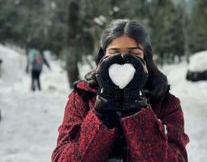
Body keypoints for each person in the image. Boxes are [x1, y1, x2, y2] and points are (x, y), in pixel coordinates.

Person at [52, 19, 189, 162]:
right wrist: (101, 114)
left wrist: (137, 111)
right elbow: (61, 158)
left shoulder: (166, 103)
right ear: (102, 58)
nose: (123, 62)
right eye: (114, 54)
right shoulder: (82, 97)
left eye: (134, 54)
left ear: (146, 59)